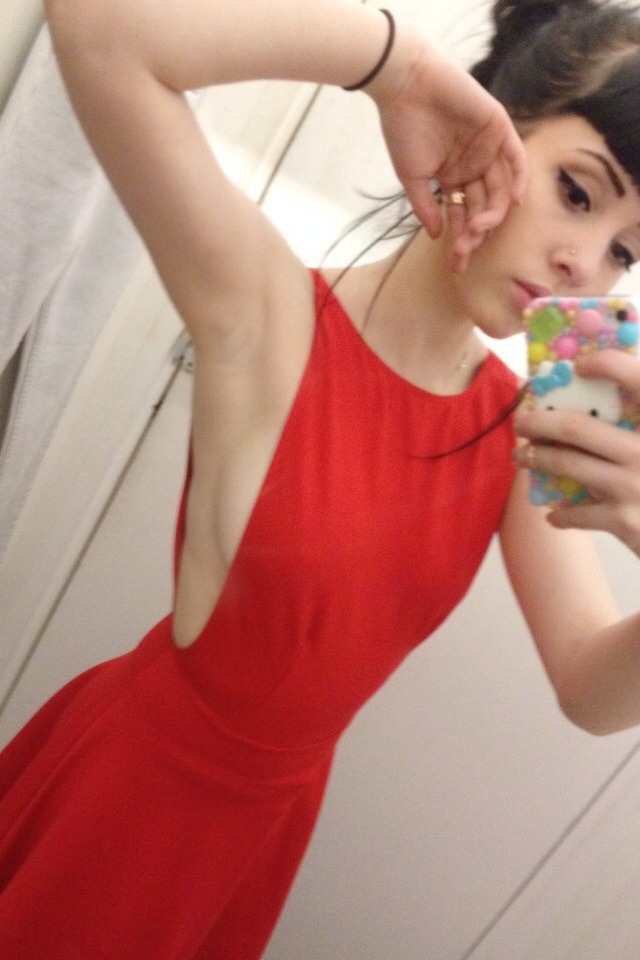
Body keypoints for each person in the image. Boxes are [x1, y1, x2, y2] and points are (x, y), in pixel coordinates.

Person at [2, 0, 640, 956]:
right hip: (130, 802)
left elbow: (591, 692)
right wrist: (398, 67)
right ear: (492, 128)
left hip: (264, 833)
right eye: (578, 193)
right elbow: (98, 28)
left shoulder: (520, 428)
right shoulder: (270, 311)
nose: (582, 264)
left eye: (626, 252)